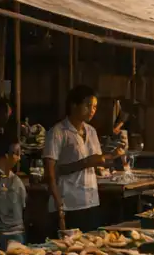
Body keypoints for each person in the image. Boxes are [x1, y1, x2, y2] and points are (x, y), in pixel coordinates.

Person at [43, 85, 117, 232]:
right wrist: (58, 204)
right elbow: (51, 172)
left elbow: (97, 161)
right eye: (88, 105)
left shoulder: (91, 131)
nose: (92, 110)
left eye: (94, 107)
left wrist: (114, 155)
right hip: (68, 203)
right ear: (73, 105)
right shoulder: (58, 132)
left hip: (90, 200)